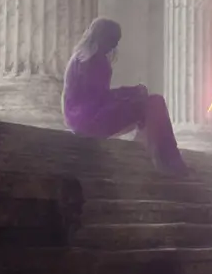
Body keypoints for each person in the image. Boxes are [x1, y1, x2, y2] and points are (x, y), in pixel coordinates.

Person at [62, 17, 188, 177]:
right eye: (113, 39)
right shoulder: (95, 60)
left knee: (149, 103)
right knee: (153, 103)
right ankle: (170, 160)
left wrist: (130, 93)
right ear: (103, 36)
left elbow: (98, 97)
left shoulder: (80, 57)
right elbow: (101, 98)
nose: (115, 45)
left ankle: (163, 157)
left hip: (80, 119)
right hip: (89, 119)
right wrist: (132, 92)